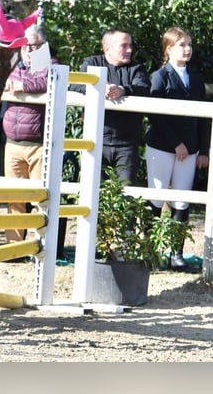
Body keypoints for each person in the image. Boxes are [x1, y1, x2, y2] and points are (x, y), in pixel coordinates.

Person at [144, 27, 210, 271]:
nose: (188, 48)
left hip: (191, 147)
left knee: (182, 199)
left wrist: (203, 150)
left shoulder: (196, 78)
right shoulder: (160, 76)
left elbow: (204, 117)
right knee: (157, 196)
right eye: (182, 44)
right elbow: (156, 115)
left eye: (189, 44)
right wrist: (175, 143)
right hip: (162, 146)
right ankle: (149, 251)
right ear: (169, 49)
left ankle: (176, 254)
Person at [2, 23, 58, 246]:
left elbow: (46, 81)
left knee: (39, 198)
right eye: (24, 46)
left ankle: (39, 245)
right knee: (13, 198)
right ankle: (14, 246)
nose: (27, 51)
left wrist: (21, 84)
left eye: (33, 46)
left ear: (44, 46)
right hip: (12, 142)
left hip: (39, 144)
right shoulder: (13, 65)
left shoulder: (51, 65)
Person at [76, 29, 150, 185]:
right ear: (107, 48)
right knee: (93, 191)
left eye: (130, 45)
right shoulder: (91, 63)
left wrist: (123, 90)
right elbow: (76, 85)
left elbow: (143, 88)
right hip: (95, 141)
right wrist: (99, 88)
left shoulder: (137, 68)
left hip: (127, 145)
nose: (129, 50)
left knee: (126, 193)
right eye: (124, 45)